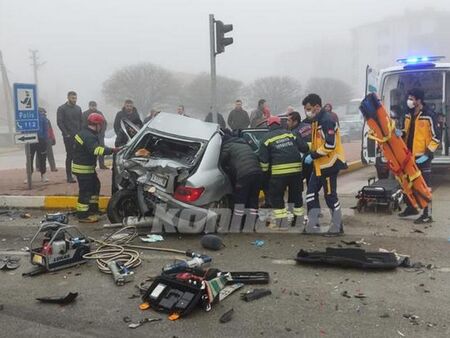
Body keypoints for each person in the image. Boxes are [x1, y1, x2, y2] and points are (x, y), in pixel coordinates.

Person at [302, 94, 347, 235]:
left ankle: (338, 227)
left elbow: (330, 144)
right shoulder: (316, 120)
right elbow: (318, 143)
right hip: (320, 164)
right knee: (310, 193)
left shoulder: (327, 120)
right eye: (305, 109)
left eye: (309, 108)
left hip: (330, 164)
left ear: (317, 106)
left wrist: (313, 155)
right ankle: (313, 224)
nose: (307, 112)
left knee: (330, 196)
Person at [258, 116, 309, 229]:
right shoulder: (290, 134)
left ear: (269, 126)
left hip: (278, 173)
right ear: (280, 124)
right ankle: (298, 221)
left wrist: (265, 176)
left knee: (276, 197)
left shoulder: (266, 139)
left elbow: (264, 162)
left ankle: (282, 222)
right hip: (296, 172)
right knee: (296, 196)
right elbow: (304, 148)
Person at [398, 88, 440, 224]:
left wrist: (428, 153)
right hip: (409, 155)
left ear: (419, 100)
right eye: (409, 98)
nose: (409, 101)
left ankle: (428, 214)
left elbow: (436, 137)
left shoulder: (429, 115)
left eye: (412, 98)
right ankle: (412, 208)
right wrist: (400, 134)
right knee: (408, 184)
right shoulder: (408, 115)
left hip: (423, 156)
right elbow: (406, 132)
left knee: (424, 186)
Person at [72, 113, 119, 222]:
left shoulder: (86, 133)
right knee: (86, 191)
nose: (101, 127)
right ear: (97, 124)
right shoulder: (89, 136)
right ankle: (83, 215)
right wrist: (112, 151)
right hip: (83, 169)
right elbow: (95, 150)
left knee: (95, 186)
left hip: (86, 167)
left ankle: (93, 209)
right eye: (101, 125)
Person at [220, 133, 263, 229]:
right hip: (258, 173)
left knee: (240, 200)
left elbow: (221, 161)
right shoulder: (245, 144)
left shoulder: (227, 146)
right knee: (253, 199)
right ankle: (252, 223)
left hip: (244, 175)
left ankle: (237, 224)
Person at [57, 91, 82, 183]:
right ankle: (69, 176)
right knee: (70, 155)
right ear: (68, 98)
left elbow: (81, 121)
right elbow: (60, 122)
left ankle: (77, 173)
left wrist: (81, 133)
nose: (74, 100)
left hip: (78, 136)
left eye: (75, 98)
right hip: (68, 136)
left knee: (78, 155)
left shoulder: (78, 108)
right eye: (72, 98)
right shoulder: (61, 109)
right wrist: (66, 133)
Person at [287, 111, 313, 185]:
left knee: (298, 183)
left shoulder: (294, 133)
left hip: (304, 160)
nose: (287, 123)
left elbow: (298, 148)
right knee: (312, 183)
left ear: (295, 121)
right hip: (315, 156)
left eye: (289, 120)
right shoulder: (309, 126)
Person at [83, 101, 108, 169]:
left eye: (94, 106)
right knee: (90, 150)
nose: (93, 107)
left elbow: (104, 123)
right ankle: (90, 164)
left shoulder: (99, 113)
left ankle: (102, 164)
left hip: (99, 135)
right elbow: (83, 125)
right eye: (92, 106)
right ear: (89, 106)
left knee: (101, 149)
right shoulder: (85, 114)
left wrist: (102, 132)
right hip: (90, 136)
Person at [29, 108, 49, 182]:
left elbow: (46, 129)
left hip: (41, 140)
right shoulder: (28, 116)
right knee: (29, 158)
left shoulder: (42, 117)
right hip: (30, 139)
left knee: (42, 158)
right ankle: (29, 176)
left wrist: (45, 139)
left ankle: (43, 175)